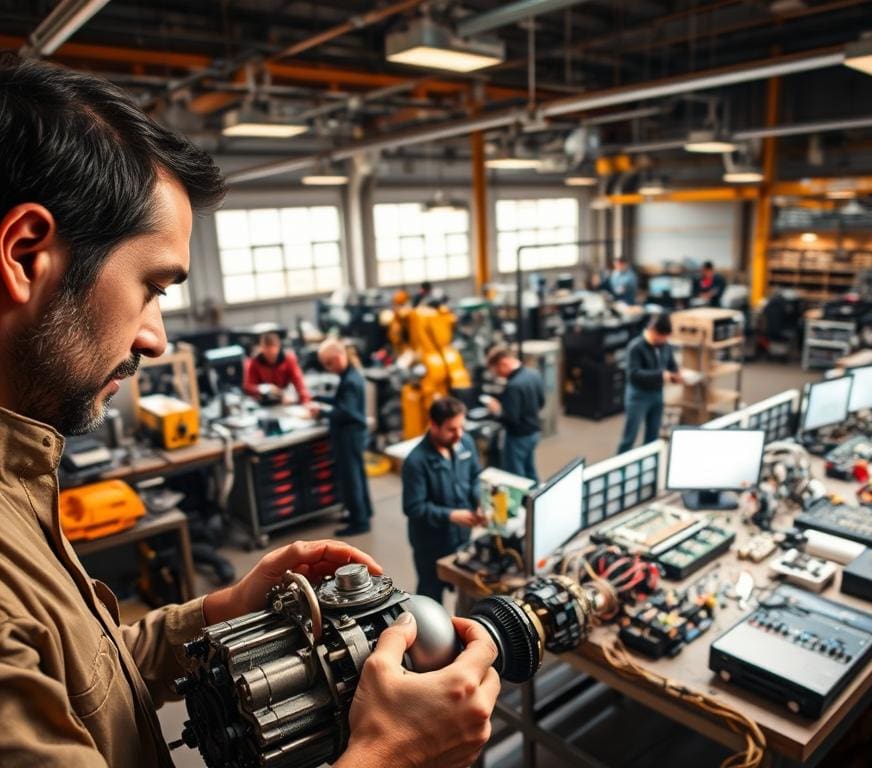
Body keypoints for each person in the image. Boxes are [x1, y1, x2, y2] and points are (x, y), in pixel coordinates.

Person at [0, 57, 498, 768]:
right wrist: (392, 756)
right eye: (152, 286)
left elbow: (85, 676)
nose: (156, 337)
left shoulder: (18, 485)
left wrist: (220, 610)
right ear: (25, 254)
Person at [402, 397, 484, 602]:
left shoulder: (465, 442)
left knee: (467, 589)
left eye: (461, 427)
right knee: (430, 598)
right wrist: (451, 515)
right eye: (451, 429)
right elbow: (414, 507)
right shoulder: (416, 462)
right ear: (433, 425)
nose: (459, 435)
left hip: (463, 536)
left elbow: (475, 477)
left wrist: (480, 501)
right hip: (432, 545)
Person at [317, 339, 374, 536]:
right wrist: (318, 399)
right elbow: (341, 401)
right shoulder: (349, 375)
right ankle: (364, 512)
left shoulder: (349, 380)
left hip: (349, 435)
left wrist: (320, 412)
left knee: (352, 479)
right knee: (358, 475)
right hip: (354, 434)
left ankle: (360, 522)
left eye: (329, 363)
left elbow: (346, 411)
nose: (328, 368)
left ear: (338, 357)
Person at [617, 313, 682, 453]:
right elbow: (633, 374)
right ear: (653, 330)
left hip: (657, 394)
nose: (664, 340)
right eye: (662, 337)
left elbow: (671, 364)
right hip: (638, 396)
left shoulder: (665, 345)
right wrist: (662, 375)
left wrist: (676, 374)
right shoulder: (635, 347)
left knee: (652, 436)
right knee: (629, 437)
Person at [485, 346, 544, 483]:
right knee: (530, 469)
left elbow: (510, 419)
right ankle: (537, 498)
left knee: (516, 476)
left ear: (504, 363)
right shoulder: (534, 374)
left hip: (518, 437)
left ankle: (522, 503)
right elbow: (541, 402)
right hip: (534, 432)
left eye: (497, 370)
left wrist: (496, 410)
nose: (498, 375)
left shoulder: (513, 385)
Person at [242, 330, 317, 410]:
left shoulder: (289, 359)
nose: (270, 358)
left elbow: (299, 384)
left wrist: (307, 402)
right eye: (267, 354)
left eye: (273, 354)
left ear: (278, 347)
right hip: (264, 403)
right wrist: (266, 388)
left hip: (285, 399)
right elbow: (248, 386)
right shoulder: (254, 362)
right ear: (262, 349)